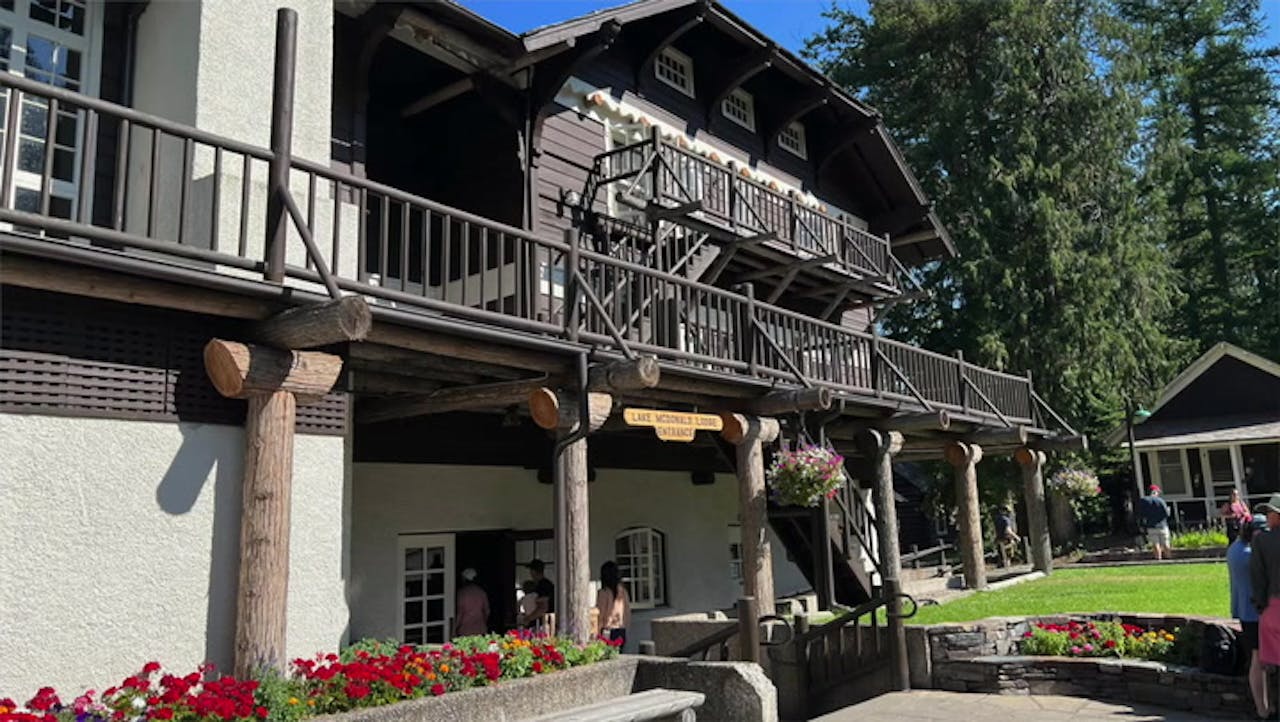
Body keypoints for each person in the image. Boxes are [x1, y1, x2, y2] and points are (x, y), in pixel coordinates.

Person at [1229, 514, 1270, 718]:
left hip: (1245, 611)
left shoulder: (1235, 549)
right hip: (1256, 612)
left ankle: (1263, 708)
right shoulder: (1249, 555)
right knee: (1259, 659)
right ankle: (1262, 710)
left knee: (1258, 658)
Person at [1251, 494, 1280, 690]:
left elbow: (1258, 577)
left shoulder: (1263, 541)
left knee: (1275, 664)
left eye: (1270, 512)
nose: (1267, 517)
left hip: (1274, 605)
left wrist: (1260, 605)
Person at [595, 560, 631, 648]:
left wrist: (597, 632)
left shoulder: (604, 593)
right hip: (621, 630)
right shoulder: (623, 591)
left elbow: (601, 614)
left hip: (608, 630)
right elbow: (627, 613)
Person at [1138, 484, 1172, 560]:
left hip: (1151, 526)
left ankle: (1158, 560)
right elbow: (1166, 513)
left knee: (1155, 544)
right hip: (1162, 525)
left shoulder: (1143, 501)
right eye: (1158, 492)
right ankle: (1169, 559)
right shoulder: (1160, 500)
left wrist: (1142, 524)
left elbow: (1141, 514)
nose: (1158, 493)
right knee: (1166, 543)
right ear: (1155, 492)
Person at [453, 568, 490, 638]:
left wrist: (454, 629)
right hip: (480, 629)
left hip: (465, 630)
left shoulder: (462, 593)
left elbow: (460, 612)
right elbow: (487, 611)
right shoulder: (481, 592)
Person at [523, 558, 555, 629]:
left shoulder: (543, 586)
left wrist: (528, 618)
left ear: (534, 571)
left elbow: (543, 607)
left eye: (531, 570)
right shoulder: (544, 585)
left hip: (542, 625)